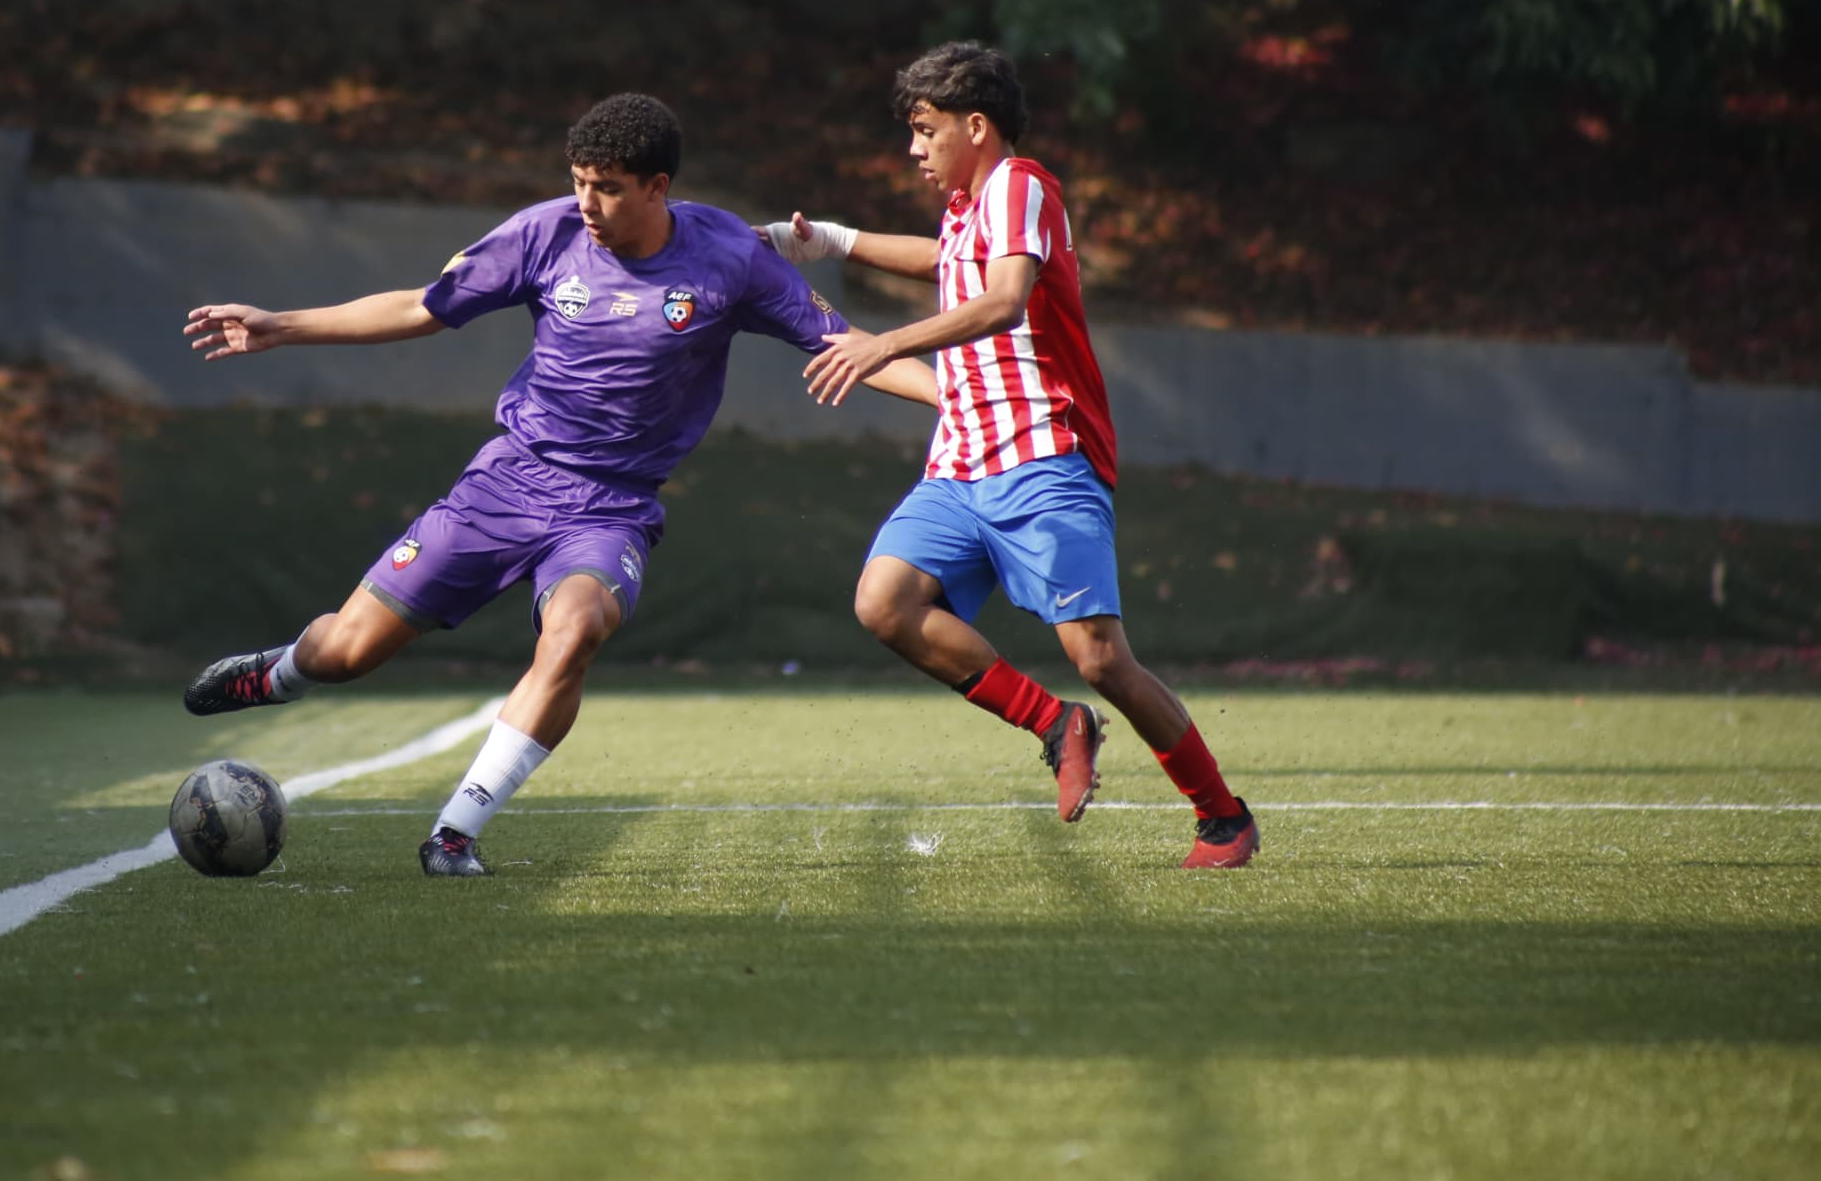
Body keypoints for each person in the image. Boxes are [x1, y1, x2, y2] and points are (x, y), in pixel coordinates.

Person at [179, 93, 937, 876]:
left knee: (573, 632)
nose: (588, 203)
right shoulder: (545, 233)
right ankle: (281, 673)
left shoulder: (730, 256)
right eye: (579, 181)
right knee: (346, 654)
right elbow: (422, 306)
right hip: (505, 484)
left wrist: (960, 399)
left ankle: (455, 834)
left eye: (608, 186)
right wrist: (284, 323)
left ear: (658, 186)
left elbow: (852, 342)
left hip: (611, 511)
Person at [775, 42, 1258, 868]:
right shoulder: (969, 213)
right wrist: (827, 240)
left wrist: (882, 340)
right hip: (960, 464)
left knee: (1101, 657)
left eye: (925, 132)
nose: (914, 150)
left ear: (976, 125)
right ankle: (1054, 722)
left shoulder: (1021, 186)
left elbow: (1002, 303)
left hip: (1043, 457)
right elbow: (941, 260)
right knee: (883, 603)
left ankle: (1222, 816)